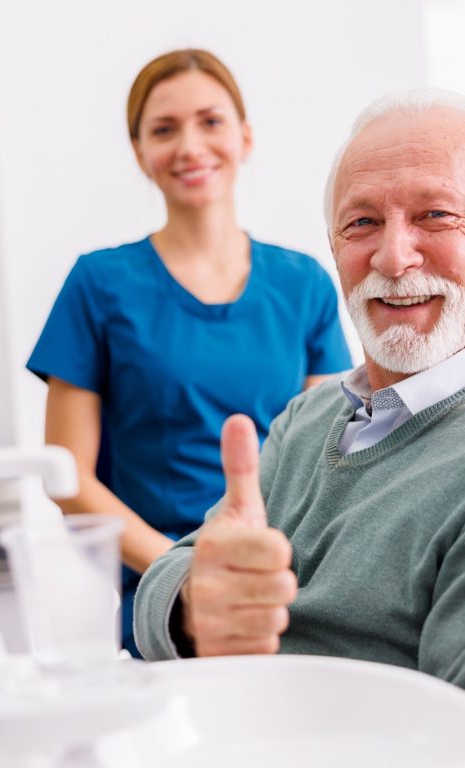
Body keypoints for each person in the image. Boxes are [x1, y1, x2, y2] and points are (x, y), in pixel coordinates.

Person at [134, 89, 465, 768]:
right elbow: (173, 579)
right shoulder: (312, 417)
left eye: (435, 215)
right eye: (360, 224)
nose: (393, 257)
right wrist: (193, 607)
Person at [26, 49, 352, 657]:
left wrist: (260, 578)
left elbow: (328, 462)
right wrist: (187, 578)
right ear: (139, 153)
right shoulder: (98, 285)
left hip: (284, 596)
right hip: (163, 610)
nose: (190, 146)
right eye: (164, 129)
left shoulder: (305, 283)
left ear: (245, 136)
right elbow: (68, 480)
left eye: (210, 121)